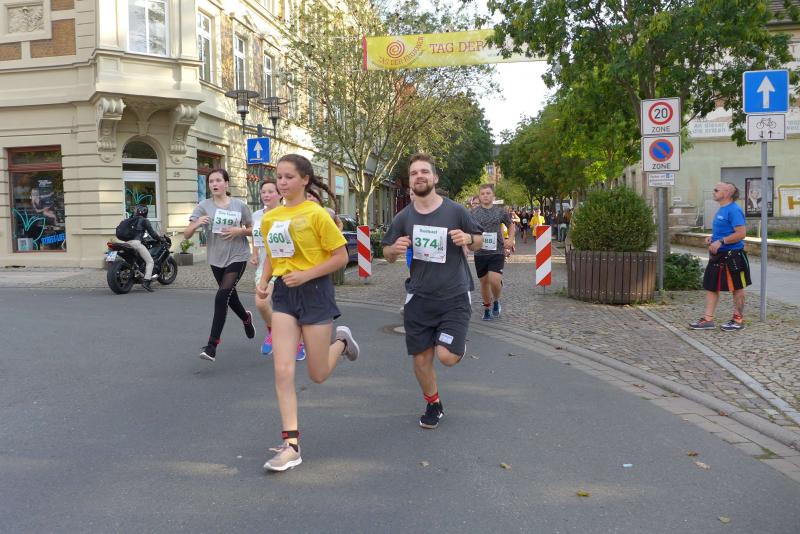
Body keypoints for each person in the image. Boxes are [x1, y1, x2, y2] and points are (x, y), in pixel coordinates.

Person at [256, 154, 360, 472]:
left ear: (304, 180)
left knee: (317, 374)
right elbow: (272, 254)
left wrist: (306, 275)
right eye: (279, 177)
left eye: (289, 177)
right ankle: (291, 445)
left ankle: (342, 342)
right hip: (285, 294)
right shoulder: (271, 217)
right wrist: (264, 281)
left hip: (315, 292)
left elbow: (340, 256)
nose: (282, 182)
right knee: (282, 370)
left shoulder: (316, 214)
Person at [381, 153, 484, 430]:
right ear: (409, 181)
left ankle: (456, 343)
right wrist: (394, 250)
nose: (419, 176)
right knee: (421, 359)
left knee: (446, 357)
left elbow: (479, 241)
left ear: (435, 178)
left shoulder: (455, 211)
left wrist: (468, 238)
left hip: (454, 294)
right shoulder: (403, 217)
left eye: (424, 171)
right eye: (414, 173)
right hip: (419, 296)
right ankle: (433, 403)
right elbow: (387, 252)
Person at [183, 168, 255, 361]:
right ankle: (246, 318)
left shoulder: (239, 205)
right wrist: (197, 223)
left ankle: (212, 346)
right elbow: (187, 234)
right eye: (211, 181)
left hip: (238, 255)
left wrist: (239, 231)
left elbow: (253, 229)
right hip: (216, 258)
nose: (214, 184)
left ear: (226, 183)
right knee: (230, 297)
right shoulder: (203, 206)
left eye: (218, 180)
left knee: (222, 296)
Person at [689, 182, 750, 332]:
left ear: (728, 192)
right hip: (717, 256)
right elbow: (725, 231)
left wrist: (721, 241)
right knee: (711, 286)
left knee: (737, 288)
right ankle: (708, 320)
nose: (714, 192)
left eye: (717, 190)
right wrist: (713, 238)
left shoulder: (734, 210)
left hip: (733, 256)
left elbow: (741, 233)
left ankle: (738, 320)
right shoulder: (722, 209)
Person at [471, 184, 514, 321]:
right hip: (480, 252)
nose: (485, 196)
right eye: (482, 193)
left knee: (494, 280)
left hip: (497, 251)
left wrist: (510, 239)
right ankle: (487, 308)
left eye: (488, 193)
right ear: (479, 196)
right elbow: (466, 228)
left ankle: (496, 300)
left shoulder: (500, 211)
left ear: (493, 196)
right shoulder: (473, 213)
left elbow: (511, 225)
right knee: (484, 282)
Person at [250, 180, 282, 356]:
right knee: (261, 303)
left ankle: (297, 341)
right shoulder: (257, 215)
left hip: (283, 265)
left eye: (271, 192)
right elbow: (256, 237)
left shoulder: (286, 213)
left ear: (279, 194)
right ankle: (274, 331)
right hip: (264, 265)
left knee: (284, 307)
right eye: (263, 192)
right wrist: (254, 254)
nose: (266, 195)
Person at [120, 204, 162, 292]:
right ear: (145, 212)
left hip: (126, 243)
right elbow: (152, 233)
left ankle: (138, 273)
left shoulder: (129, 220)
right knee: (150, 261)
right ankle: (146, 281)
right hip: (136, 243)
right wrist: (159, 239)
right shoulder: (144, 220)